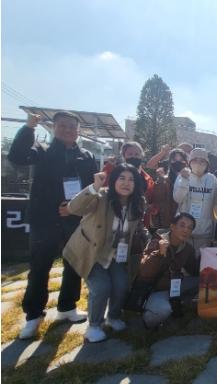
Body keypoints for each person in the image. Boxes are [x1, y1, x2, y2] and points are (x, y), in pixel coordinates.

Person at [9, 112, 97, 339]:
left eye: (72, 126)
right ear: (54, 127)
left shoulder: (86, 156)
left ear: (78, 130)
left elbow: (90, 189)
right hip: (44, 219)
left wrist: (75, 207)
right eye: (62, 125)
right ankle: (33, 315)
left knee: (73, 265)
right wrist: (28, 128)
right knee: (39, 267)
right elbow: (17, 156)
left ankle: (67, 307)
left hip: (74, 218)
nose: (67, 130)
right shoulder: (41, 150)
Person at [63, 165, 145, 342]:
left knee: (122, 285)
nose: (126, 183)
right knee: (101, 287)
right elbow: (74, 208)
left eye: (131, 179)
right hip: (91, 252)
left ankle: (113, 317)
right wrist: (94, 187)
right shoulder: (100, 196)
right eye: (122, 178)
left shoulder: (138, 203)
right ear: (113, 180)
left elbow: (136, 229)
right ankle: (94, 325)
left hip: (116, 254)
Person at [135, 213, 199, 328]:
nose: (185, 230)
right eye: (182, 225)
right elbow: (144, 271)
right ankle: (146, 321)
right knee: (163, 310)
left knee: (201, 282)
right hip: (155, 289)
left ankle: (176, 303)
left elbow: (195, 270)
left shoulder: (187, 248)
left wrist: (207, 257)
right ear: (172, 226)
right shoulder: (157, 242)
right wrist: (159, 253)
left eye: (190, 228)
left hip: (173, 286)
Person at [173, 148, 217, 255]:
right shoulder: (182, 176)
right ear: (190, 162)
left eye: (202, 160)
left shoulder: (212, 179)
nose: (198, 163)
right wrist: (184, 180)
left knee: (201, 263)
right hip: (184, 232)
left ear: (207, 164)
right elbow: (177, 199)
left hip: (204, 233)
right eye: (195, 160)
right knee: (184, 263)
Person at [148, 149, 187, 232]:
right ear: (169, 161)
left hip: (183, 222)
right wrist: (163, 152)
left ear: (186, 162)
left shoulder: (189, 178)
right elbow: (157, 200)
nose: (177, 162)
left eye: (181, 160)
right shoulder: (163, 179)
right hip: (165, 223)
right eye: (174, 160)